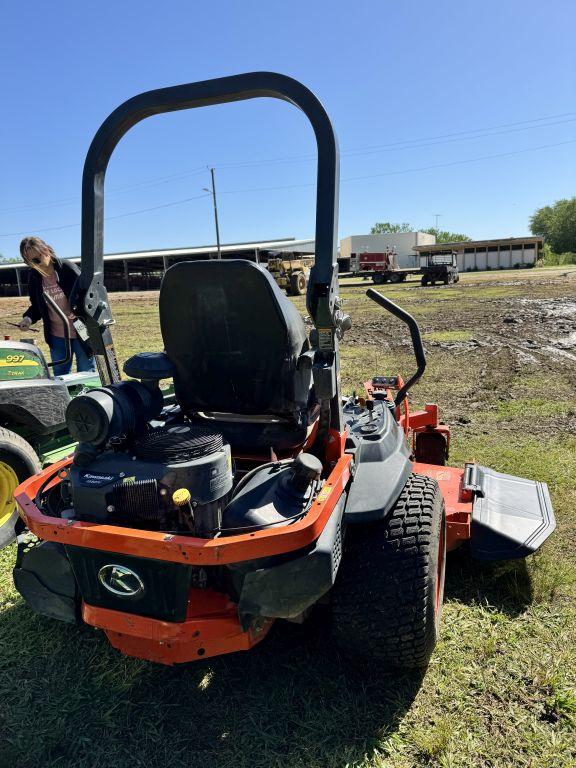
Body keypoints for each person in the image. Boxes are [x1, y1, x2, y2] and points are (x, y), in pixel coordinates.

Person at [18, 236, 96, 375]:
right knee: (60, 374)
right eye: (30, 262)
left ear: (46, 251)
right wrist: (28, 319)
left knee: (86, 371)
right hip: (57, 334)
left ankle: (86, 397)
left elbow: (89, 295)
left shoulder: (67, 268)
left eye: (37, 260)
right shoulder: (34, 276)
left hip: (81, 328)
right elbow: (36, 305)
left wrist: (78, 312)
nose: (35, 265)